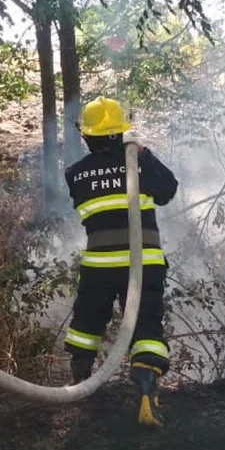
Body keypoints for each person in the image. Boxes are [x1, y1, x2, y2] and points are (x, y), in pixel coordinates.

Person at [63, 96, 178, 427]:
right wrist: (143, 154)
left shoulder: (76, 173)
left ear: (88, 136)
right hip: (142, 265)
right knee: (146, 328)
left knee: (87, 324)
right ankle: (147, 396)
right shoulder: (139, 165)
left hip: (99, 267)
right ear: (120, 134)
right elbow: (167, 191)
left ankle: (80, 389)